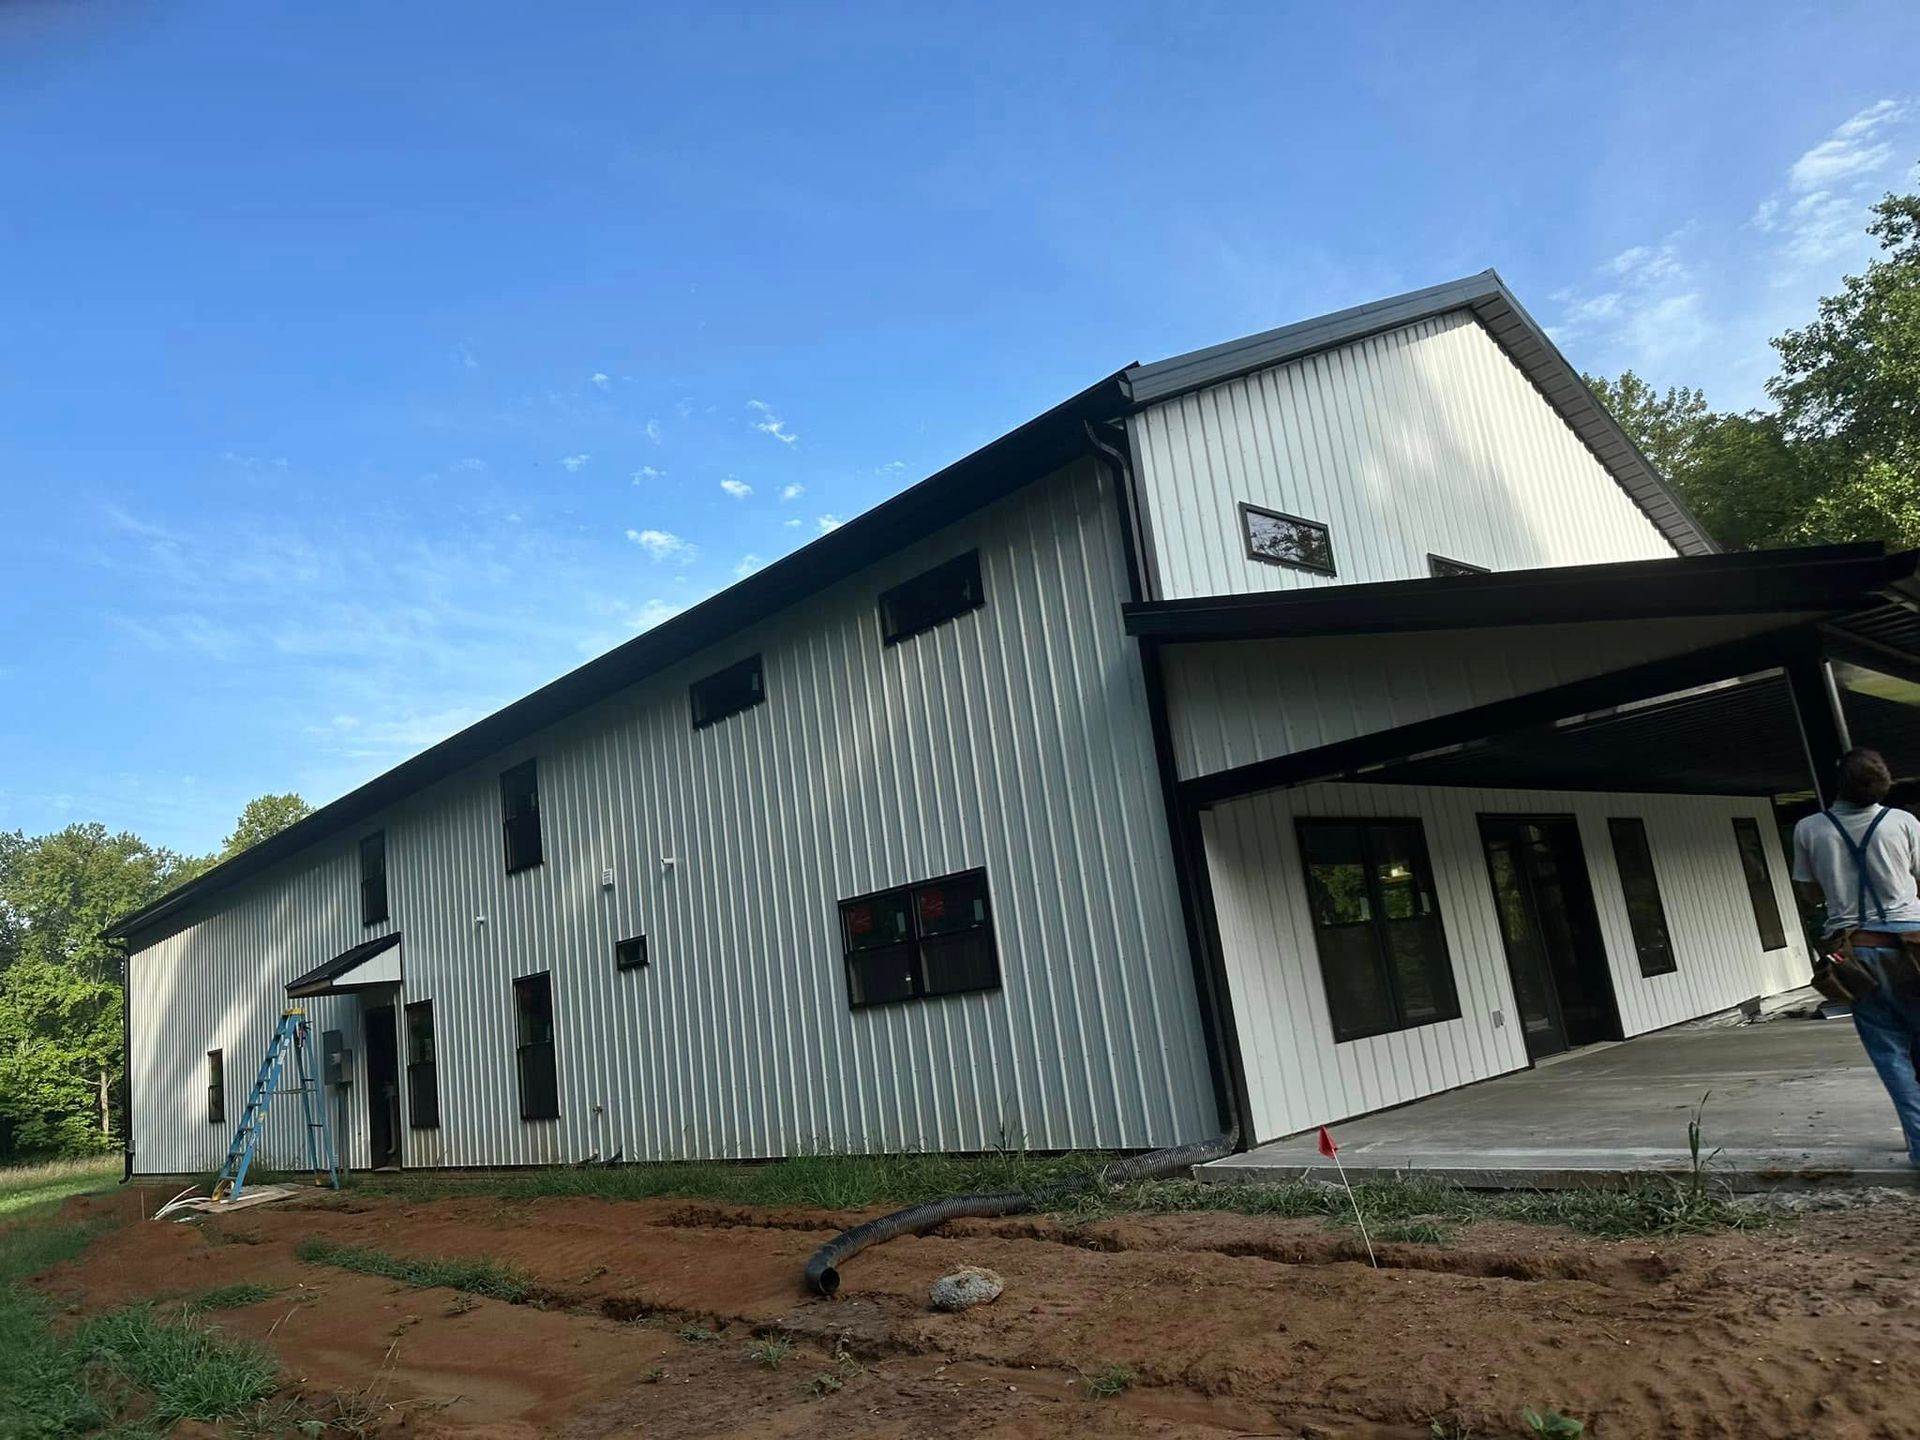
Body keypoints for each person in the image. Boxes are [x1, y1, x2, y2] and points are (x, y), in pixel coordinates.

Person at [1791, 748, 1920, 1165]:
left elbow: (1810, 892)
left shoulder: (1810, 828)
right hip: (1912, 945)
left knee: (1889, 1052)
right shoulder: (1903, 823)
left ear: (1838, 782)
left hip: (1854, 952)